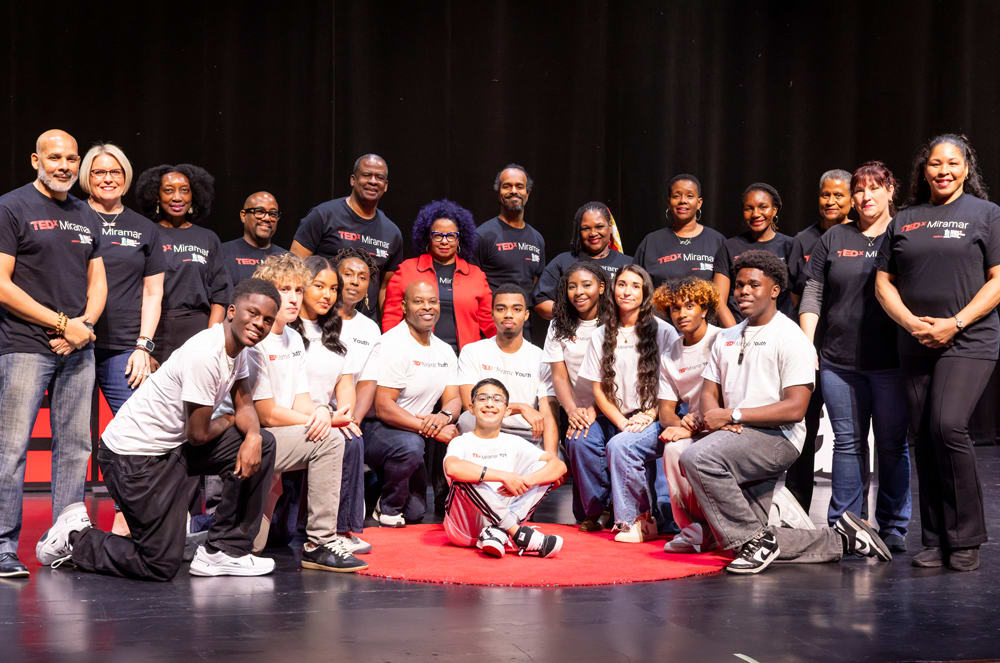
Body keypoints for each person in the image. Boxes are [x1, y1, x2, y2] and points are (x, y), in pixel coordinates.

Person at [35, 279, 281, 581]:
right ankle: (75, 538)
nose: (259, 324)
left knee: (264, 443)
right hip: (131, 458)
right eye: (253, 313)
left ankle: (224, 551)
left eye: (267, 320)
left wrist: (253, 435)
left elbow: (243, 402)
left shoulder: (240, 348)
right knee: (158, 563)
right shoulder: (206, 353)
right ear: (231, 311)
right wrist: (231, 420)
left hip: (171, 449)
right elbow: (199, 435)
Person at [680, 250, 891, 574]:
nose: (743, 292)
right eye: (738, 286)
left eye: (754, 285)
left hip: (777, 437)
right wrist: (715, 422)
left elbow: (796, 408)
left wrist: (734, 416)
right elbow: (709, 390)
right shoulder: (726, 337)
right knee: (754, 531)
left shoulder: (792, 338)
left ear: (775, 289)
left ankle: (754, 540)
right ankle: (845, 540)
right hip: (735, 435)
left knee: (697, 458)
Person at [875, 133, 1000, 572]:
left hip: (969, 339)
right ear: (923, 169)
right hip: (915, 340)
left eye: (952, 163)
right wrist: (911, 324)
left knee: (947, 426)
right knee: (923, 436)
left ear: (967, 168)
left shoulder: (987, 215)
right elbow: (883, 282)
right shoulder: (905, 219)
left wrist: (956, 323)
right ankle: (935, 538)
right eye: (934, 163)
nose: (943, 171)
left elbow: (998, 280)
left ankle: (966, 537)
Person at [0, 130, 106, 579]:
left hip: (77, 348)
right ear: (35, 160)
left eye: (70, 159)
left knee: (75, 448)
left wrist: (83, 328)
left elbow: (97, 282)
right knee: (10, 449)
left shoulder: (86, 213)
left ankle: (62, 543)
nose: (63, 166)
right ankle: (2, 546)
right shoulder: (12, 206)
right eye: (54, 157)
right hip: (25, 345)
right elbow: (2, 285)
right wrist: (62, 325)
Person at [799, 161, 910, 553]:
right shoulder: (833, 239)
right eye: (859, 190)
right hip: (838, 362)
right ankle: (845, 525)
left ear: (889, 191)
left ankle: (894, 526)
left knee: (893, 444)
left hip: (893, 362)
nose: (865, 197)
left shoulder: (904, 232)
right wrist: (806, 344)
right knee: (847, 443)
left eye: (874, 189)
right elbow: (813, 292)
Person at [236, 254, 365, 572]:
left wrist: (322, 411)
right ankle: (320, 541)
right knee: (242, 545)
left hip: (277, 435)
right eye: (284, 289)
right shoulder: (257, 340)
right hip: (247, 437)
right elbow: (266, 414)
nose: (292, 297)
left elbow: (301, 399)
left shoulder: (292, 337)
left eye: (297, 289)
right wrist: (320, 419)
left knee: (253, 545)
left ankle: (321, 540)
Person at [575, 265, 679, 541]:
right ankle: (597, 509)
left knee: (620, 445)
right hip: (614, 415)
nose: (627, 291)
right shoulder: (600, 334)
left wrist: (650, 413)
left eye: (635, 285)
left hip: (653, 416)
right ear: (613, 289)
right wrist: (620, 422)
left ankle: (636, 519)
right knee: (579, 438)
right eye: (622, 284)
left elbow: (672, 385)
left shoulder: (664, 331)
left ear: (645, 292)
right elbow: (598, 389)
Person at [289, 254, 371, 553]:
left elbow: (344, 382)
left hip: (327, 417)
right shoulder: (286, 330)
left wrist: (345, 414)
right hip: (297, 417)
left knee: (351, 437)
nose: (328, 294)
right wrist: (327, 417)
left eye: (333, 288)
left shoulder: (333, 333)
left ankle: (341, 530)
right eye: (319, 286)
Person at [364, 281, 462, 526]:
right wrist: (432, 429)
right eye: (418, 301)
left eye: (432, 301)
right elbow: (385, 406)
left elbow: (454, 398)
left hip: (415, 432)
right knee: (411, 445)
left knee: (416, 512)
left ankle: (374, 487)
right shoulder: (392, 344)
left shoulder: (444, 350)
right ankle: (386, 509)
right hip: (379, 429)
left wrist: (445, 416)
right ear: (404, 306)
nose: (427, 307)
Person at [783, 169, 852, 512]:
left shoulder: (859, 236)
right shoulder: (802, 240)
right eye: (826, 195)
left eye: (839, 195)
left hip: (844, 351)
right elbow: (798, 296)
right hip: (809, 348)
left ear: (852, 198)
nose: (831, 201)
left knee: (848, 436)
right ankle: (797, 509)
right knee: (803, 429)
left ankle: (849, 516)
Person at [443, 378, 567, 558]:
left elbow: (558, 466)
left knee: (545, 470)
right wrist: (504, 477)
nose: (490, 404)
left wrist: (525, 481)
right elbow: (453, 468)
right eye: (483, 398)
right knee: (465, 476)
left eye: (497, 399)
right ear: (471, 407)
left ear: (507, 411)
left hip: (501, 524)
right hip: (465, 528)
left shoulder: (514, 442)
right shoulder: (461, 441)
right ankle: (518, 533)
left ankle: (497, 532)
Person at [652, 278, 723, 553]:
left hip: (724, 424)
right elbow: (666, 410)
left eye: (689, 306)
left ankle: (714, 526)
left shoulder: (721, 340)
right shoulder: (670, 353)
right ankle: (693, 530)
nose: (681, 314)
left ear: (704, 309)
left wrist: (695, 427)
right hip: (693, 425)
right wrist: (682, 425)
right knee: (673, 449)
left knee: (689, 451)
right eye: (675, 309)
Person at [134, 164, 230, 363]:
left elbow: (220, 294)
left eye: (184, 190)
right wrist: (145, 347)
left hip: (198, 331)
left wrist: (209, 340)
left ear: (193, 195)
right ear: (157, 196)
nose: (177, 197)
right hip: (156, 331)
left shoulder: (208, 238)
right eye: (168, 190)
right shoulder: (146, 233)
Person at [290, 154, 403, 320]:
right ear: (353, 180)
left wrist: (387, 329)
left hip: (363, 325)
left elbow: (385, 288)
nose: (373, 181)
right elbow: (294, 268)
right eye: (366, 175)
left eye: (379, 177)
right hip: (319, 320)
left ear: (385, 186)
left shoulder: (392, 232)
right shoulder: (323, 215)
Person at [542, 262, 613, 522]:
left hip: (612, 406)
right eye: (572, 286)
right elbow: (559, 375)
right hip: (579, 410)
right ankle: (593, 512)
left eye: (586, 285)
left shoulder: (614, 322)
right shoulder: (558, 325)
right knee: (578, 441)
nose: (579, 292)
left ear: (601, 288)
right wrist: (572, 412)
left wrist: (595, 408)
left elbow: (616, 374)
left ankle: (615, 508)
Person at [382, 199, 494, 354]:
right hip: (414, 356)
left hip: (464, 360)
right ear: (427, 236)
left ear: (460, 238)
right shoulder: (407, 270)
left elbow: (488, 324)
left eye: (451, 236)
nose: (444, 241)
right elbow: (391, 318)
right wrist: (390, 352)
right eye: (437, 235)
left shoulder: (476, 275)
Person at [457, 284, 558, 452]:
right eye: (501, 309)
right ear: (492, 314)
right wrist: (521, 407)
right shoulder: (473, 351)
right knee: (466, 419)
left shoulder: (541, 358)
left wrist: (552, 457)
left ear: (526, 315)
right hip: (483, 433)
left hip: (527, 437)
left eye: (516, 309)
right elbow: (470, 404)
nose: (509, 314)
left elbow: (548, 413)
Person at [473, 164, 545, 339]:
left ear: (527, 193)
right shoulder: (483, 235)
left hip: (523, 330)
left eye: (519, 186)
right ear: (499, 192)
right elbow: (471, 284)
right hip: (490, 330)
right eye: (507, 186)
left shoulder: (537, 239)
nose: (514, 191)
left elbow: (535, 282)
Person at [713, 182, 793, 327]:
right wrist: (736, 333)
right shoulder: (729, 247)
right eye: (749, 208)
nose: (756, 214)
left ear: (774, 210)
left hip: (778, 333)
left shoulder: (791, 246)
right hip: (739, 331)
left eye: (763, 207)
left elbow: (797, 298)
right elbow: (718, 301)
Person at [533, 202, 631, 319]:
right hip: (575, 334)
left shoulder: (628, 264)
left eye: (599, 226)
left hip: (617, 334)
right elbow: (540, 301)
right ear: (579, 231)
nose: (593, 233)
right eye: (586, 228)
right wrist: (576, 315)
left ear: (610, 228)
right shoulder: (563, 261)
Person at [634, 174, 726, 287]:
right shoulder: (651, 242)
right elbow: (636, 284)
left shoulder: (717, 241)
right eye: (676, 196)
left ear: (699, 203)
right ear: (669, 203)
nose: (683, 200)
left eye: (690, 196)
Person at [220, 191, 287, 286]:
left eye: (273, 214)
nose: (267, 218)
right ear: (243, 216)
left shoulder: (288, 259)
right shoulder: (222, 254)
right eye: (260, 212)